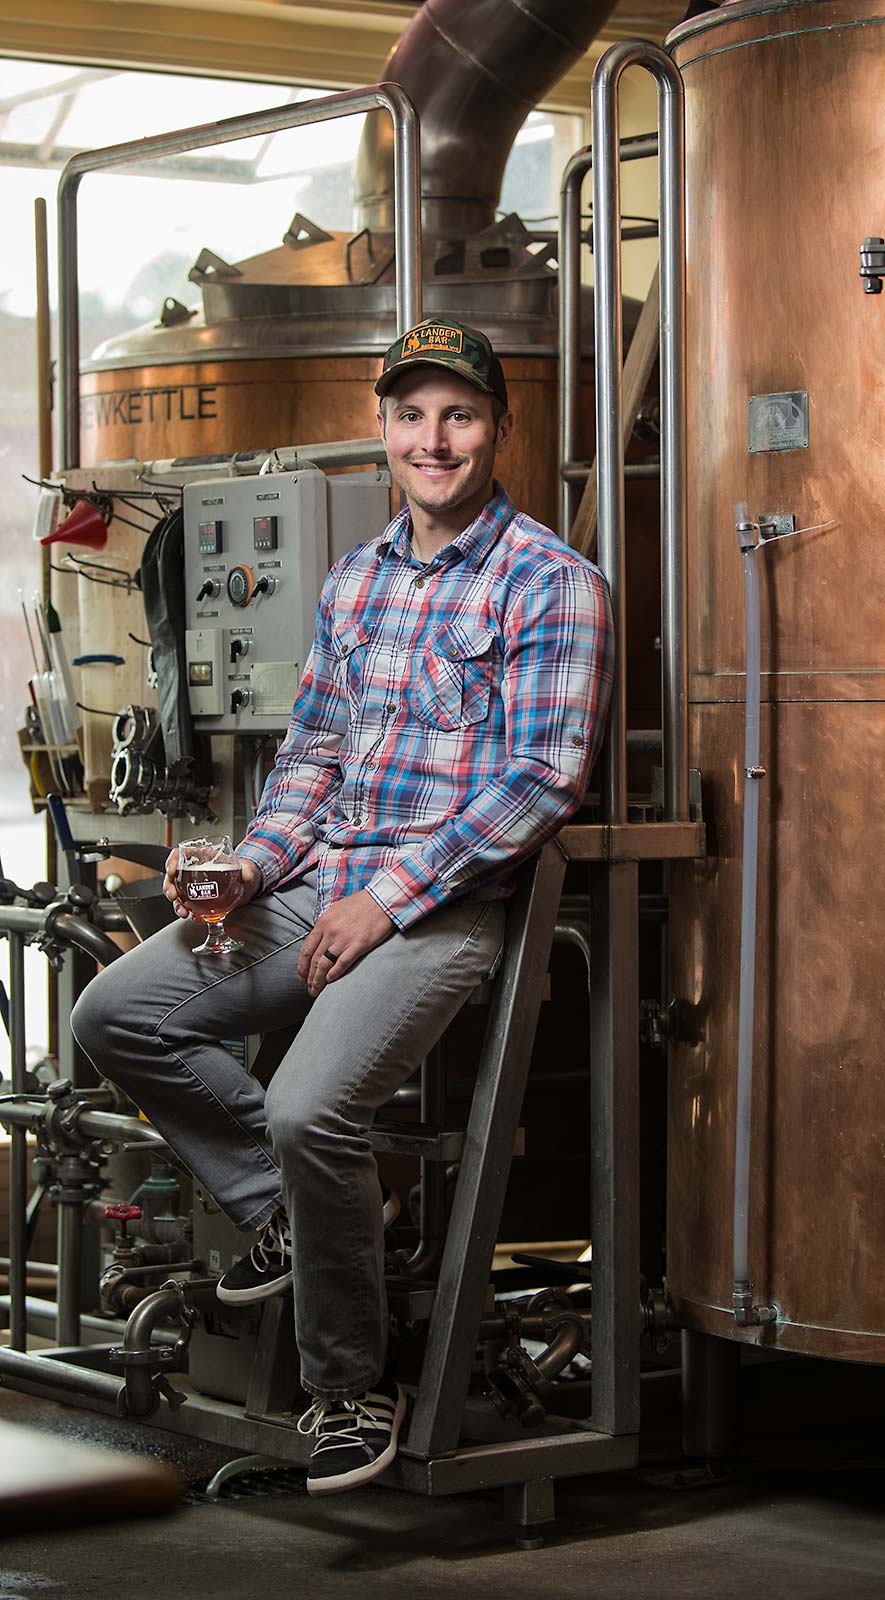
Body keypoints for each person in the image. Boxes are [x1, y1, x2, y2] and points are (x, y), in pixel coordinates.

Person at [71, 318, 615, 1495]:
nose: (435, 439)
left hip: (441, 904)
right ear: (382, 434)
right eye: (412, 415)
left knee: (308, 1105)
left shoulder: (552, 584)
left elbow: (536, 783)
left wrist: (383, 897)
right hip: (320, 884)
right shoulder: (357, 579)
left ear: (498, 431)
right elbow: (312, 758)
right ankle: (287, 1218)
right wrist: (249, 869)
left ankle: (346, 1384)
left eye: (459, 415)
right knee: (118, 1013)